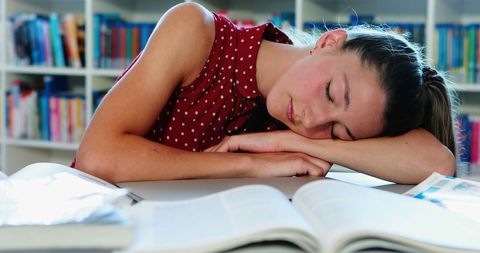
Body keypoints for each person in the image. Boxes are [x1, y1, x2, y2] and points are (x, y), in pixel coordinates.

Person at [73, 2, 456, 184]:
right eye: (329, 93)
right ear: (329, 41)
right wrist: (251, 163)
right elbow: (98, 157)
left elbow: (437, 163)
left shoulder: (300, 130)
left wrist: (298, 144)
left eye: (338, 131)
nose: (313, 120)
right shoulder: (195, 32)